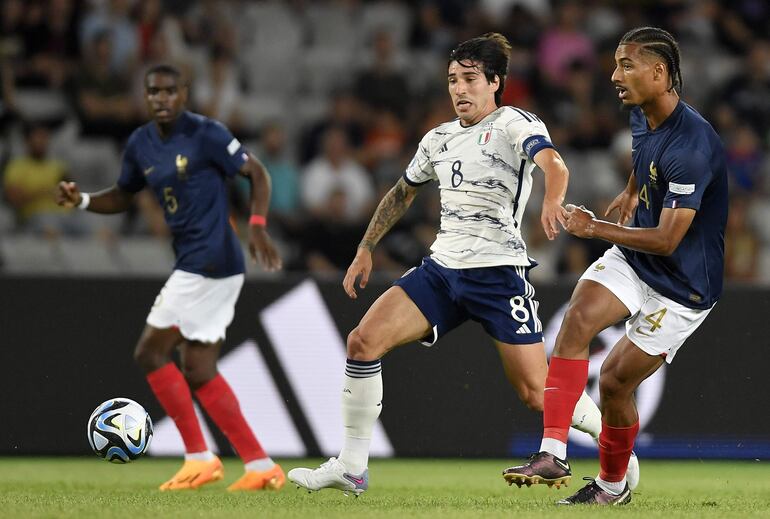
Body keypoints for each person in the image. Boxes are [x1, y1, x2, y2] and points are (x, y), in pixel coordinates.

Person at [288, 32, 637, 495]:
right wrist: (366, 247)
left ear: (495, 82)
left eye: (470, 79)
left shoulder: (515, 122)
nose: (459, 89)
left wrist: (553, 201)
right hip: (442, 270)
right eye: (453, 79)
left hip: (498, 274)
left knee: (536, 392)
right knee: (362, 342)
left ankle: (617, 448)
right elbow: (401, 193)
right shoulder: (439, 138)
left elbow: (555, 165)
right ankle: (352, 467)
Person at [503, 26, 727, 505]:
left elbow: (668, 240)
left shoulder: (693, 146)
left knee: (614, 383)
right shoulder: (645, 115)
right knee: (577, 319)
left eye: (626, 65)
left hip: (682, 286)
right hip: (636, 258)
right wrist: (631, 189)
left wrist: (594, 228)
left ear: (659, 72)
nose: (614, 75)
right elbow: (647, 158)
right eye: (616, 64)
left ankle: (611, 487)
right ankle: (552, 451)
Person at [56, 64, 285, 491]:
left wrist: (256, 224)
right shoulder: (140, 143)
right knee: (198, 369)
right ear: (145, 96)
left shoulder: (207, 134)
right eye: (153, 92)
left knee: (149, 352)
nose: (161, 99)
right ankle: (260, 465)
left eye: (169, 91)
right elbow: (123, 195)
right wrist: (83, 199)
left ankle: (199, 457)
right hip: (203, 263)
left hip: (209, 260)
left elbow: (257, 172)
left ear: (185, 94)